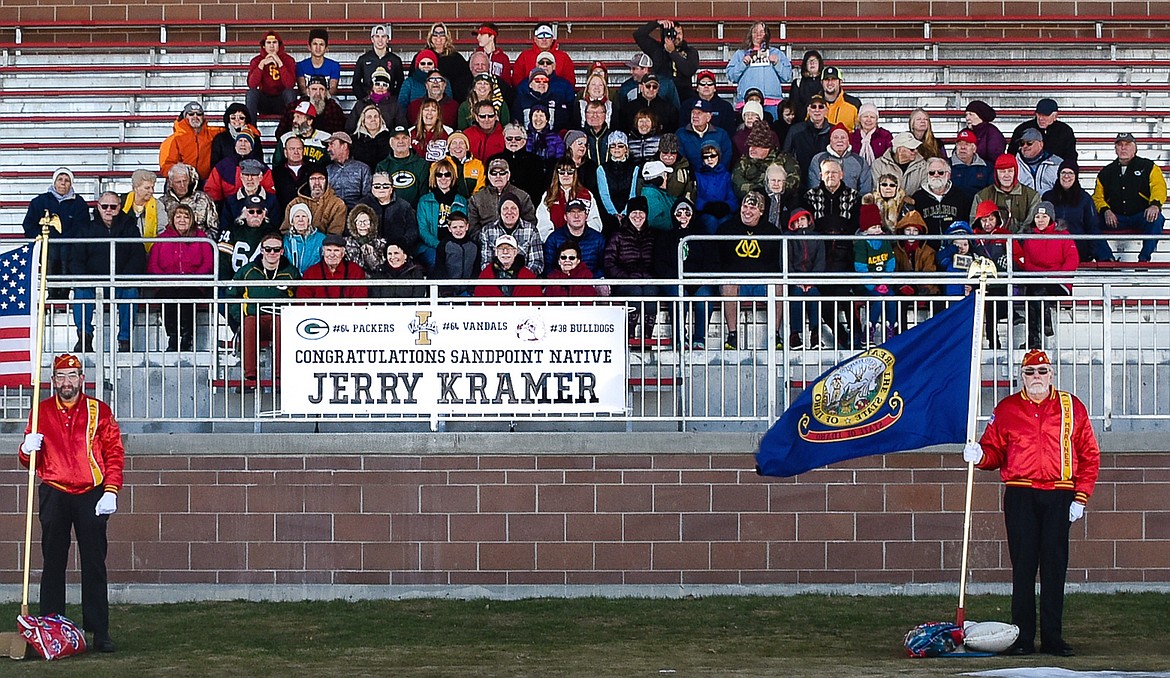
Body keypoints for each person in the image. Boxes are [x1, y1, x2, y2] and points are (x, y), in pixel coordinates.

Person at [964, 348, 1100, 658]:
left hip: (1059, 494)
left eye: (1041, 371)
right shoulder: (1007, 409)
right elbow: (994, 451)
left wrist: (1081, 497)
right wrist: (980, 456)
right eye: (1029, 372)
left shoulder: (1072, 407)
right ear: (1021, 377)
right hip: (1020, 493)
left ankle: (1053, 638)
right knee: (1023, 567)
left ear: (1052, 374)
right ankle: (1022, 637)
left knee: (1054, 567)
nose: (1036, 377)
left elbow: (1089, 454)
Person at [18, 353, 124, 654]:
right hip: (54, 491)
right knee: (53, 562)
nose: (66, 382)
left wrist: (111, 491)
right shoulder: (41, 411)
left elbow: (114, 452)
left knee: (93, 562)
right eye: (61, 377)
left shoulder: (98, 411)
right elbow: (30, 460)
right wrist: (26, 449)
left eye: (72, 376)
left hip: (92, 493)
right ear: (53, 381)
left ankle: (99, 630)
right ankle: (52, 627)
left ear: (81, 379)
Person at [71, 191, 147, 353]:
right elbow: (76, 258)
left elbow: (137, 256)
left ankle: (125, 339)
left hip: (120, 282)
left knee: (131, 292)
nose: (108, 210)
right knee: (81, 291)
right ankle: (84, 336)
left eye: (113, 206)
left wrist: (124, 278)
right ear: (98, 207)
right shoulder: (86, 229)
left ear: (119, 207)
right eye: (104, 206)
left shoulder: (130, 227)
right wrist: (87, 279)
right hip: (93, 282)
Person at [231, 231, 299, 391]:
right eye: (268, 249)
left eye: (276, 249)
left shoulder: (291, 272)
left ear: (282, 251)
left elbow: (298, 296)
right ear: (262, 250)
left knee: (282, 322)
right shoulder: (247, 270)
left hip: (279, 318)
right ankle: (250, 378)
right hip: (255, 317)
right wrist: (239, 315)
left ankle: (280, 377)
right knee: (249, 322)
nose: (272, 253)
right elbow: (231, 294)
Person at [716, 191, 783, 350]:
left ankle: (775, 335)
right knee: (728, 285)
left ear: (761, 211)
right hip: (737, 284)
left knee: (779, 286)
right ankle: (732, 336)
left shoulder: (772, 232)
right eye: (745, 206)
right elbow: (718, 261)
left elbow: (776, 265)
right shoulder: (726, 229)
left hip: (762, 283)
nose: (747, 211)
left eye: (752, 208)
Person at [147, 203, 215, 351]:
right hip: (167, 284)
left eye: (186, 216)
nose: (182, 220)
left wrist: (193, 279)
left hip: (193, 284)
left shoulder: (201, 238)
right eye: (178, 216)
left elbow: (208, 263)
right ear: (172, 219)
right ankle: (172, 336)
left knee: (186, 295)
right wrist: (167, 280)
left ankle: (186, 337)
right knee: (168, 296)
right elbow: (153, 265)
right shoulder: (162, 239)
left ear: (192, 220)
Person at [1092, 132, 1167, 262]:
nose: (1123, 148)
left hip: (1141, 215)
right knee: (1089, 222)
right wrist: (1105, 211)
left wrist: (1155, 204)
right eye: (1120, 145)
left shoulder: (1149, 167)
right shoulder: (1106, 172)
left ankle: (1144, 259)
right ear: (1115, 148)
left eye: (1127, 144)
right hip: (1116, 217)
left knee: (1157, 219)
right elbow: (1097, 197)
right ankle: (1106, 258)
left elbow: (1159, 187)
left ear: (1135, 147)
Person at [1014, 202, 1078, 348]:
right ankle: (1041, 328)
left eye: (1044, 216)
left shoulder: (1063, 235)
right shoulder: (1030, 238)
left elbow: (1072, 260)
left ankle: (1035, 336)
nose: (1040, 220)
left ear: (1051, 218)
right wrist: (1041, 276)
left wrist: (1054, 277)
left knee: (1035, 291)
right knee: (1034, 291)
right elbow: (1028, 263)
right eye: (1037, 216)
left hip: (1059, 282)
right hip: (1038, 281)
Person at [23, 167, 91, 297]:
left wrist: (66, 239)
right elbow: (29, 225)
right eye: (60, 179)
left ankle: (64, 293)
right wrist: (43, 238)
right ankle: (52, 292)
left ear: (71, 183)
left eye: (67, 180)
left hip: (71, 246)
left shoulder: (79, 203)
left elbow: (82, 226)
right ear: (54, 182)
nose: (63, 183)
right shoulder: (39, 202)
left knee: (66, 251)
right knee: (51, 252)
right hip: (47, 246)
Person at [604, 197, 663, 345]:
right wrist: (626, 277)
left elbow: (659, 261)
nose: (637, 216)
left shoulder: (653, 235)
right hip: (625, 281)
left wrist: (652, 277)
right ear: (628, 214)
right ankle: (629, 335)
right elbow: (609, 262)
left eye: (641, 212)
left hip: (648, 280)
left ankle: (647, 337)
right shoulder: (618, 235)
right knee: (635, 292)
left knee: (651, 292)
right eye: (634, 212)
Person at [1044, 161, 1114, 263]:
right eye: (1063, 172)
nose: (1066, 176)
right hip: (1054, 245)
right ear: (1058, 175)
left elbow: (1092, 226)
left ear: (1076, 176)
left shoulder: (1084, 198)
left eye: (1071, 173)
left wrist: (1093, 251)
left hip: (1077, 246)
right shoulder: (1048, 197)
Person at [853, 203, 899, 345]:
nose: (878, 230)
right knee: (878, 299)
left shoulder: (885, 240)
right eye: (874, 228)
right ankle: (869, 331)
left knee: (891, 298)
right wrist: (873, 285)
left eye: (879, 227)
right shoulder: (861, 244)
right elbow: (860, 268)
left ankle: (891, 328)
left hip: (884, 283)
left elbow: (890, 263)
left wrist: (885, 282)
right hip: (866, 285)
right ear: (866, 230)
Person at [725, 21, 791, 115]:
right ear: (750, 34)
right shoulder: (741, 54)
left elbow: (788, 76)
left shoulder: (777, 53)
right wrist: (742, 64)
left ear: (767, 34)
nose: (758, 34)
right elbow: (731, 76)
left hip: (772, 102)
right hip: (748, 101)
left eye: (761, 31)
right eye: (755, 31)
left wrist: (777, 63)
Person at [782, 208, 826, 349]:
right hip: (793, 282)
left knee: (814, 294)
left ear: (809, 220)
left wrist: (811, 281)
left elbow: (820, 262)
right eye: (796, 220)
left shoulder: (817, 238)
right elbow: (785, 262)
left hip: (812, 282)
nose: (799, 223)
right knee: (796, 295)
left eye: (802, 219)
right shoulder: (787, 237)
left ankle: (815, 335)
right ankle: (795, 335)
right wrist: (797, 281)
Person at [416, 158, 468, 269]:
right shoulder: (424, 201)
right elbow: (423, 230)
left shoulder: (462, 201)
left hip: (455, 244)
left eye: (447, 174)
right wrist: (440, 245)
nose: (443, 178)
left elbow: (463, 226)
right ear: (434, 177)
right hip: (429, 247)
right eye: (439, 175)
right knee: (435, 259)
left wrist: (450, 246)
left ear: (452, 176)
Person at [633, 19, 700, 103]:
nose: (676, 37)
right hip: (662, 95)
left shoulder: (690, 51)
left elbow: (689, 70)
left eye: (679, 33)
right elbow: (638, 35)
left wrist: (672, 52)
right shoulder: (657, 49)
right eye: (672, 33)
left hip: (684, 95)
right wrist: (657, 23)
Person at [972, 154, 1041, 233]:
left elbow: (1032, 224)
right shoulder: (982, 196)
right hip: (990, 243)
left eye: (1010, 171)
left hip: (1023, 243)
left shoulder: (1032, 196)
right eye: (1002, 172)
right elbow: (974, 225)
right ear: (996, 173)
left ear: (1016, 172)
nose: (1006, 175)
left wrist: (1016, 241)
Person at [479, 192, 544, 275]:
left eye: (513, 208)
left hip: (524, 281)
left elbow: (537, 263)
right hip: (495, 281)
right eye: (505, 208)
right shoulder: (487, 231)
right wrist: (501, 277)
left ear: (519, 211)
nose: (509, 212)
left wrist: (520, 277)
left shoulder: (531, 230)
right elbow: (485, 263)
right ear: (500, 211)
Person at [160, 101, 224, 184]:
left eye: (199, 114)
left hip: (206, 182)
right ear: (185, 116)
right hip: (183, 183)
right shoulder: (173, 140)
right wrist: (185, 172)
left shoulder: (213, 133)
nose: (195, 117)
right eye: (191, 114)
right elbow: (165, 167)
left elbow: (235, 130)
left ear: (203, 117)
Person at [469, 158, 536, 234]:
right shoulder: (477, 198)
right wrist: (485, 239)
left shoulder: (522, 196)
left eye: (502, 173)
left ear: (508, 175)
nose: (498, 176)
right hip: (487, 241)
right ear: (488, 175)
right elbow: (473, 227)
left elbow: (530, 222)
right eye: (493, 173)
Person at [543, 198, 607, 278]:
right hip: (562, 283)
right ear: (565, 217)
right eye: (572, 212)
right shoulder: (554, 239)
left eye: (580, 212)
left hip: (591, 282)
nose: (576, 216)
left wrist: (588, 278)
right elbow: (548, 267)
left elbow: (604, 267)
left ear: (586, 216)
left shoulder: (598, 239)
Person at [910, 157, 970, 240]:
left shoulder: (960, 196)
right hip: (926, 248)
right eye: (931, 172)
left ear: (948, 175)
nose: (936, 175)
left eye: (940, 172)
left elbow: (966, 223)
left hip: (954, 246)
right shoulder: (918, 197)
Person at [1008, 98, 1078, 165]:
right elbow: (1011, 154)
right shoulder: (1023, 129)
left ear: (1055, 116)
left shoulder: (1065, 131)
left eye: (1045, 115)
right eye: (1039, 114)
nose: (1041, 118)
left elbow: (1070, 158)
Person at [808, 122, 872, 194]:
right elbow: (814, 187)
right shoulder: (818, 159)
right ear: (830, 140)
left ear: (848, 141)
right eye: (835, 137)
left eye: (843, 137)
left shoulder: (860, 161)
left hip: (852, 202)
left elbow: (865, 190)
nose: (839, 140)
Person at [160, 163, 220, 238]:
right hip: (171, 245)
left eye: (185, 181)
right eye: (178, 182)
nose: (182, 185)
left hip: (199, 245)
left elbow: (214, 229)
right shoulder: (162, 203)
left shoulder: (203, 198)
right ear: (171, 183)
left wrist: (200, 242)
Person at [245, 31, 297, 117]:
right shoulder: (256, 60)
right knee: (251, 93)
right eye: (268, 43)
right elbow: (252, 85)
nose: (271, 46)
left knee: (290, 93)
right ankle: (251, 129)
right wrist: (261, 65)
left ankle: (291, 128)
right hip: (264, 101)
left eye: (274, 42)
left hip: (282, 102)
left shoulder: (288, 60)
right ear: (264, 46)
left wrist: (280, 63)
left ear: (279, 45)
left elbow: (290, 84)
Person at [474, 234, 542, 299]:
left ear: (515, 252)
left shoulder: (527, 275)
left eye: (509, 248)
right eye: (501, 248)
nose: (505, 252)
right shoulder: (486, 274)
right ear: (496, 252)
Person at [374, 126, 429, 207]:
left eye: (404, 138)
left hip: (415, 213)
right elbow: (380, 195)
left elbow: (424, 195)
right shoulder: (382, 166)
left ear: (410, 141)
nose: (401, 141)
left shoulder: (422, 164)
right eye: (397, 138)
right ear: (391, 142)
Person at [510, 23, 576, 89]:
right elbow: (517, 80)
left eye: (547, 36)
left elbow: (570, 81)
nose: (544, 39)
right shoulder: (524, 56)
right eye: (540, 36)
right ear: (535, 39)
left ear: (552, 39)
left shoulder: (563, 57)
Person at [782, 93, 832, 180]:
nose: (817, 110)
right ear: (808, 110)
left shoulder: (834, 131)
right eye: (813, 106)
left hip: (828, 179)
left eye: (821, 107)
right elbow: (786, 155)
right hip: (801, 180)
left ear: (826, 110)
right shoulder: (795, 130)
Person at [282, 169, 347, 235]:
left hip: (325, 243)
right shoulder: (295, 203)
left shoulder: (337, 204)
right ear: (308, 181)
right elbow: (285, 230)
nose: (317, 183)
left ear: (326, 181)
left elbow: (335, 234)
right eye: (313, 179)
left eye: (321, 178)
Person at [346, 68, 407, 135]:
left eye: (384, 85)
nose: (380, 87)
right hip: (363, 141)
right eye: (377, 84)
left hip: (386, 141)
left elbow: (401, 127)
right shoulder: (361, 104)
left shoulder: (394, 105)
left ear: (388, 88)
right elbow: (350, 127)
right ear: (372, 86)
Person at [433, 211, 480, 296]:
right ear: (449, 228)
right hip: (448, 292)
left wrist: (472, 288)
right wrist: (445, 289)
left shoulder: (474, 246)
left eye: (461, 226)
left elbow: (476, 269)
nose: (458, 230)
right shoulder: (444, 245)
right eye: (454, 227)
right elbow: (440, 269)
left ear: (467, 227)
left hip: (468, 292)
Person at [352, 24, 404, 100]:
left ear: (387, 39)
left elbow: (401, 83)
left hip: (389, 103)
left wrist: (392, 99)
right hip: (368, 102)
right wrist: (364, 99)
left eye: (383, 36)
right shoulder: (363, 59)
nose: (380, 40)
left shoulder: (395, 60)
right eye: (377, 36)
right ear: (372, 39)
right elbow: (356, 83)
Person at [273, 100, 331, 167]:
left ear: (309, 121)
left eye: (298, 117)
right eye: (294, 117)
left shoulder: (325, 138)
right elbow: (277, 165)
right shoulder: (285, 138)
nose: (294, 121)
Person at [426, 22, 472, 102]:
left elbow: (465, 82)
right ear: (430, 37)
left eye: (442, 34)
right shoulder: (423, 56)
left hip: (450, 101)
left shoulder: (456, 58)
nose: (438, 37)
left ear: (447, 37)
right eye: (435, 34)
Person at [210, 103, 263, 171]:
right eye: (233, 118)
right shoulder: (220, 139)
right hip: (225, 178)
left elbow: (259, 163)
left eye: (241, 118)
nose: (237, 120)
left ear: (246, 120)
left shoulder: (254, 139)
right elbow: (215, 165)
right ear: (228, 119)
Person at [325, 131, 372, 209]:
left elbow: (367, 197)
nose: (328, 149)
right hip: (333, 211)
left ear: (344, 146)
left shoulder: (362, 169)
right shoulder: (327, 170)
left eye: (332, 145)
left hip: (357, 212)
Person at [1015, 128, 1063, 196]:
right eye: (1022, 143)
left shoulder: (1057, 164)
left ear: (1041, 144)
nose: (1025, 146)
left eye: (1029, 143)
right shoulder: (1014, 164)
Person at [342, 203, 388, 274]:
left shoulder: (381, 244)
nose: (362, 225)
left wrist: (370, 255)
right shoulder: (345, 243)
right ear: (354, 224)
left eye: (366, 222)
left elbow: (381, 270)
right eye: (359, 222)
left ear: (372, 224)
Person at [296, 28, 340, 97]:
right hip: (308, 98)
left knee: (336, 103)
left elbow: (333, 88)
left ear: (326, 48)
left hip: (326, 98)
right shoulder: (300, 66)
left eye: (321, 44)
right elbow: (302, 88)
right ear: (309, 47)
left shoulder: (334, 66)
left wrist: (321, 96)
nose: (318, 48)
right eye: (315, 44)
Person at [283, 203, 325, 274]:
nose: (300, 219)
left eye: (304, 216)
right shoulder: (286, 241)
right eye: (297, 216)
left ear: (309, 221)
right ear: (292, 222)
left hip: (314, 279)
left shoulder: (321, 239)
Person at [950, 128, 993, 198]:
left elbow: (991, 193)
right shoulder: (946, 165)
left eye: (967, 144)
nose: (962, 147)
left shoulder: (987, 168)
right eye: (960, 144)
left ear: (974, 148)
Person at [818, 66, 862, 131]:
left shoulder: (854, 104)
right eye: (826, 79)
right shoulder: (814, 104)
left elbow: (862, 129)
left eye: (833, 79)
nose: (830, 83)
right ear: (821, 82)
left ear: (840, 82)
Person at [964, 100, 1006, 165]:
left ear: (980, 116)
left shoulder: (992, 133)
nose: (967, 118)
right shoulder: (965, 133)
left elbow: (995, 158)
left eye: (971, 114)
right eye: (966, 115)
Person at [351, 104, 392, 170]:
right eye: (369, 117)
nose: (373, 119)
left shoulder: (389, 137)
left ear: (380, 119)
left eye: (376, 116)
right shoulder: (355, 139)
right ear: (363, 121)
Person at [788, 49, 824, 122]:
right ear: (805, 65)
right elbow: (794, 107)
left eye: (815, 61)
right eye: (809, 61)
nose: (812, 63)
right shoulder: (797, 83)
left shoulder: (825, 82)